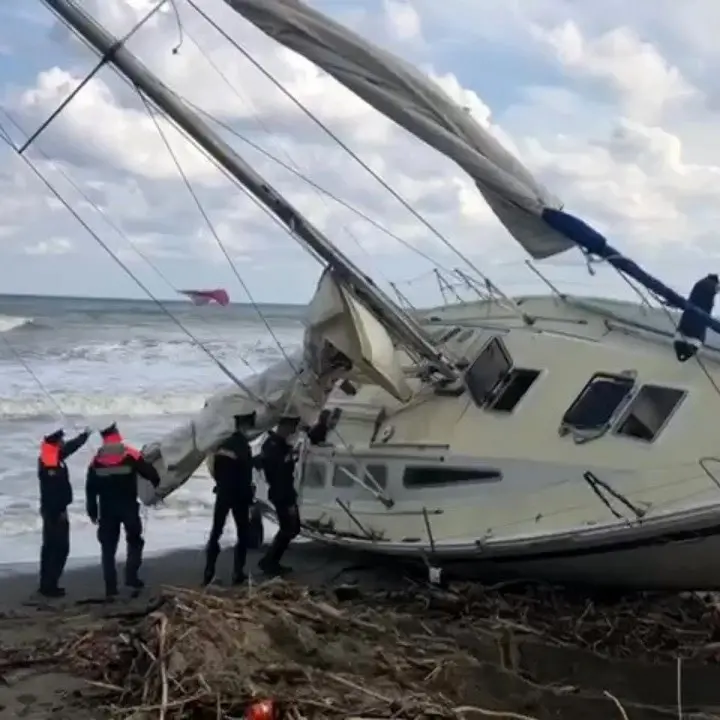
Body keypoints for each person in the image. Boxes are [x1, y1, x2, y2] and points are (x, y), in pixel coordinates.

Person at [85, 423, 160, 598]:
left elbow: (90, 489)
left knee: (108, 549)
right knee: (134, 541)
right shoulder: (130, 454)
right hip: (128, 507)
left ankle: (111, 588)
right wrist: (156, 491)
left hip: (107, 510)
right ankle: (131, 578)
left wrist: (92, 511)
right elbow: (151, 473)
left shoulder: (97, 459)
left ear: (104, 438)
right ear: (117, 434)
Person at [203, 412, 258, 586]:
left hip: (223, 493)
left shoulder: (222, 445)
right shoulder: (243, 446)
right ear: (245, 426)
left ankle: (209, 571)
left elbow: (215, 468)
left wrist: (220, 484)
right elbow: (245, 475)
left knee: (216, 532)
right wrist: (249, 497)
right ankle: (237, 572)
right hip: (239, 496)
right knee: (242, 534)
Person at [37, 426, 92, 598]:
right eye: (60, 440)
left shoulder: (52, 456)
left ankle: (48, 584)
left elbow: (69, 448)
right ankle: (49, 585)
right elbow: (53, 491)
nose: (63, 443)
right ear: (55, 443)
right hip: (55, 511)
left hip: (55, 510)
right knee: (59, 548)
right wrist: (59, 511)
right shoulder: (50, 462)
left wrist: (84, 437)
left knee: (51, 547)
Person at [258, 415, 301, 576]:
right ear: (284, 427)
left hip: (284, 491)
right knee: (290, 528)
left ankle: (271, 560)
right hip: (282, 493)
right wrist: (288, 499)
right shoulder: (274, 447)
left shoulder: (279, 445)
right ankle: (270, 561)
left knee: (291, 528)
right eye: (291, 428)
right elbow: (279, 475)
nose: (293, 431)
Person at [674, 273, 719, 362]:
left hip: (681, 335)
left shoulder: (699, 283)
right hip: (694, 338)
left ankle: (682, 356)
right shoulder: (713, 286)